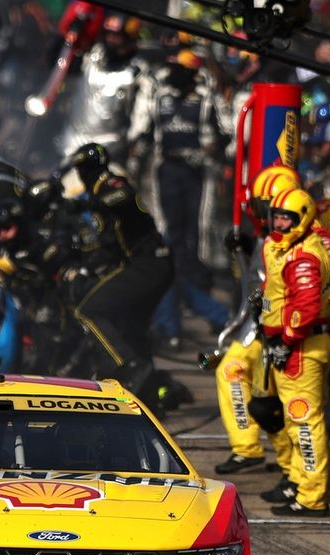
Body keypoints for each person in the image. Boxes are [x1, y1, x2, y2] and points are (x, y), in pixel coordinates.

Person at [60, 142, 176, 409]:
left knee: (89, 310)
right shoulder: (98, 198)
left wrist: (83, 204)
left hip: (148, 264)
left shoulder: (111, 184)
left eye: (82, 171)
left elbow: (122, 196)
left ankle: (127, 366)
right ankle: (152, 387)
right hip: (150, 266)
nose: (81, 177)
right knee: (130, 324)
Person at [128, 48, 230, 349]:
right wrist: (134, 170)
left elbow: (226, 132)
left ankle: (203, 304)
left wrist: (213, 149)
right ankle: (191, 311)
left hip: (198, 173)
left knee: (195, 241)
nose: (178, 75)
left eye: (184, 69)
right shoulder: (157, 93)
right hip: (165, 172)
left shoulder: (206, 94)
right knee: (168, 242)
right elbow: (143, 134)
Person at [213, 165, 299, 478]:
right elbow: (254, 280)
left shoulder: (297, 243)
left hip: (286, 331)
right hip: (263, 329)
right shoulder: (269, 237)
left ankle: (292, 466)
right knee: (234, 374)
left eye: (263, 205)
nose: (258, 212)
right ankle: (249, 449)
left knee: (279, 402)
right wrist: (244, 251)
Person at [258, 188, 330, 517]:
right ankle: (297, 480)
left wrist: (286, 340)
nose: (279, 223)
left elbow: (305, 306)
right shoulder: (283, 246)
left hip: (301, 348)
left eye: (286, 218)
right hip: (286, 345)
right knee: (285, 417)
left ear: (302, 218)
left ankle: (312, 496)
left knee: (304, 421)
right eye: (276, 216)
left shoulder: (303, 255)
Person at [56, 12, 148, 162]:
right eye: (108, 34)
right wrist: (73, 29)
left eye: (117, 36)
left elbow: (141, 119)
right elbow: (58, 60)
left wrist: (132, 145)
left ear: (130, 39)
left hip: (111, 152)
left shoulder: (137, 74)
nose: (111, 40)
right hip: (72, 146)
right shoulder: (89, 58)